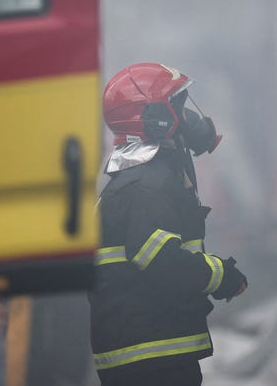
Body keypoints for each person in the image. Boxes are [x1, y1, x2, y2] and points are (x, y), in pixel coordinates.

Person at [89, 62, 248, 386]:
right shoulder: (147, 182)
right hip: (150, 355)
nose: (188, 117)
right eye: (177, 105)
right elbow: (159, 256)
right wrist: (221, 276)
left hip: (152, 347)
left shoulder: (144, 176)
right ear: (154, 119)